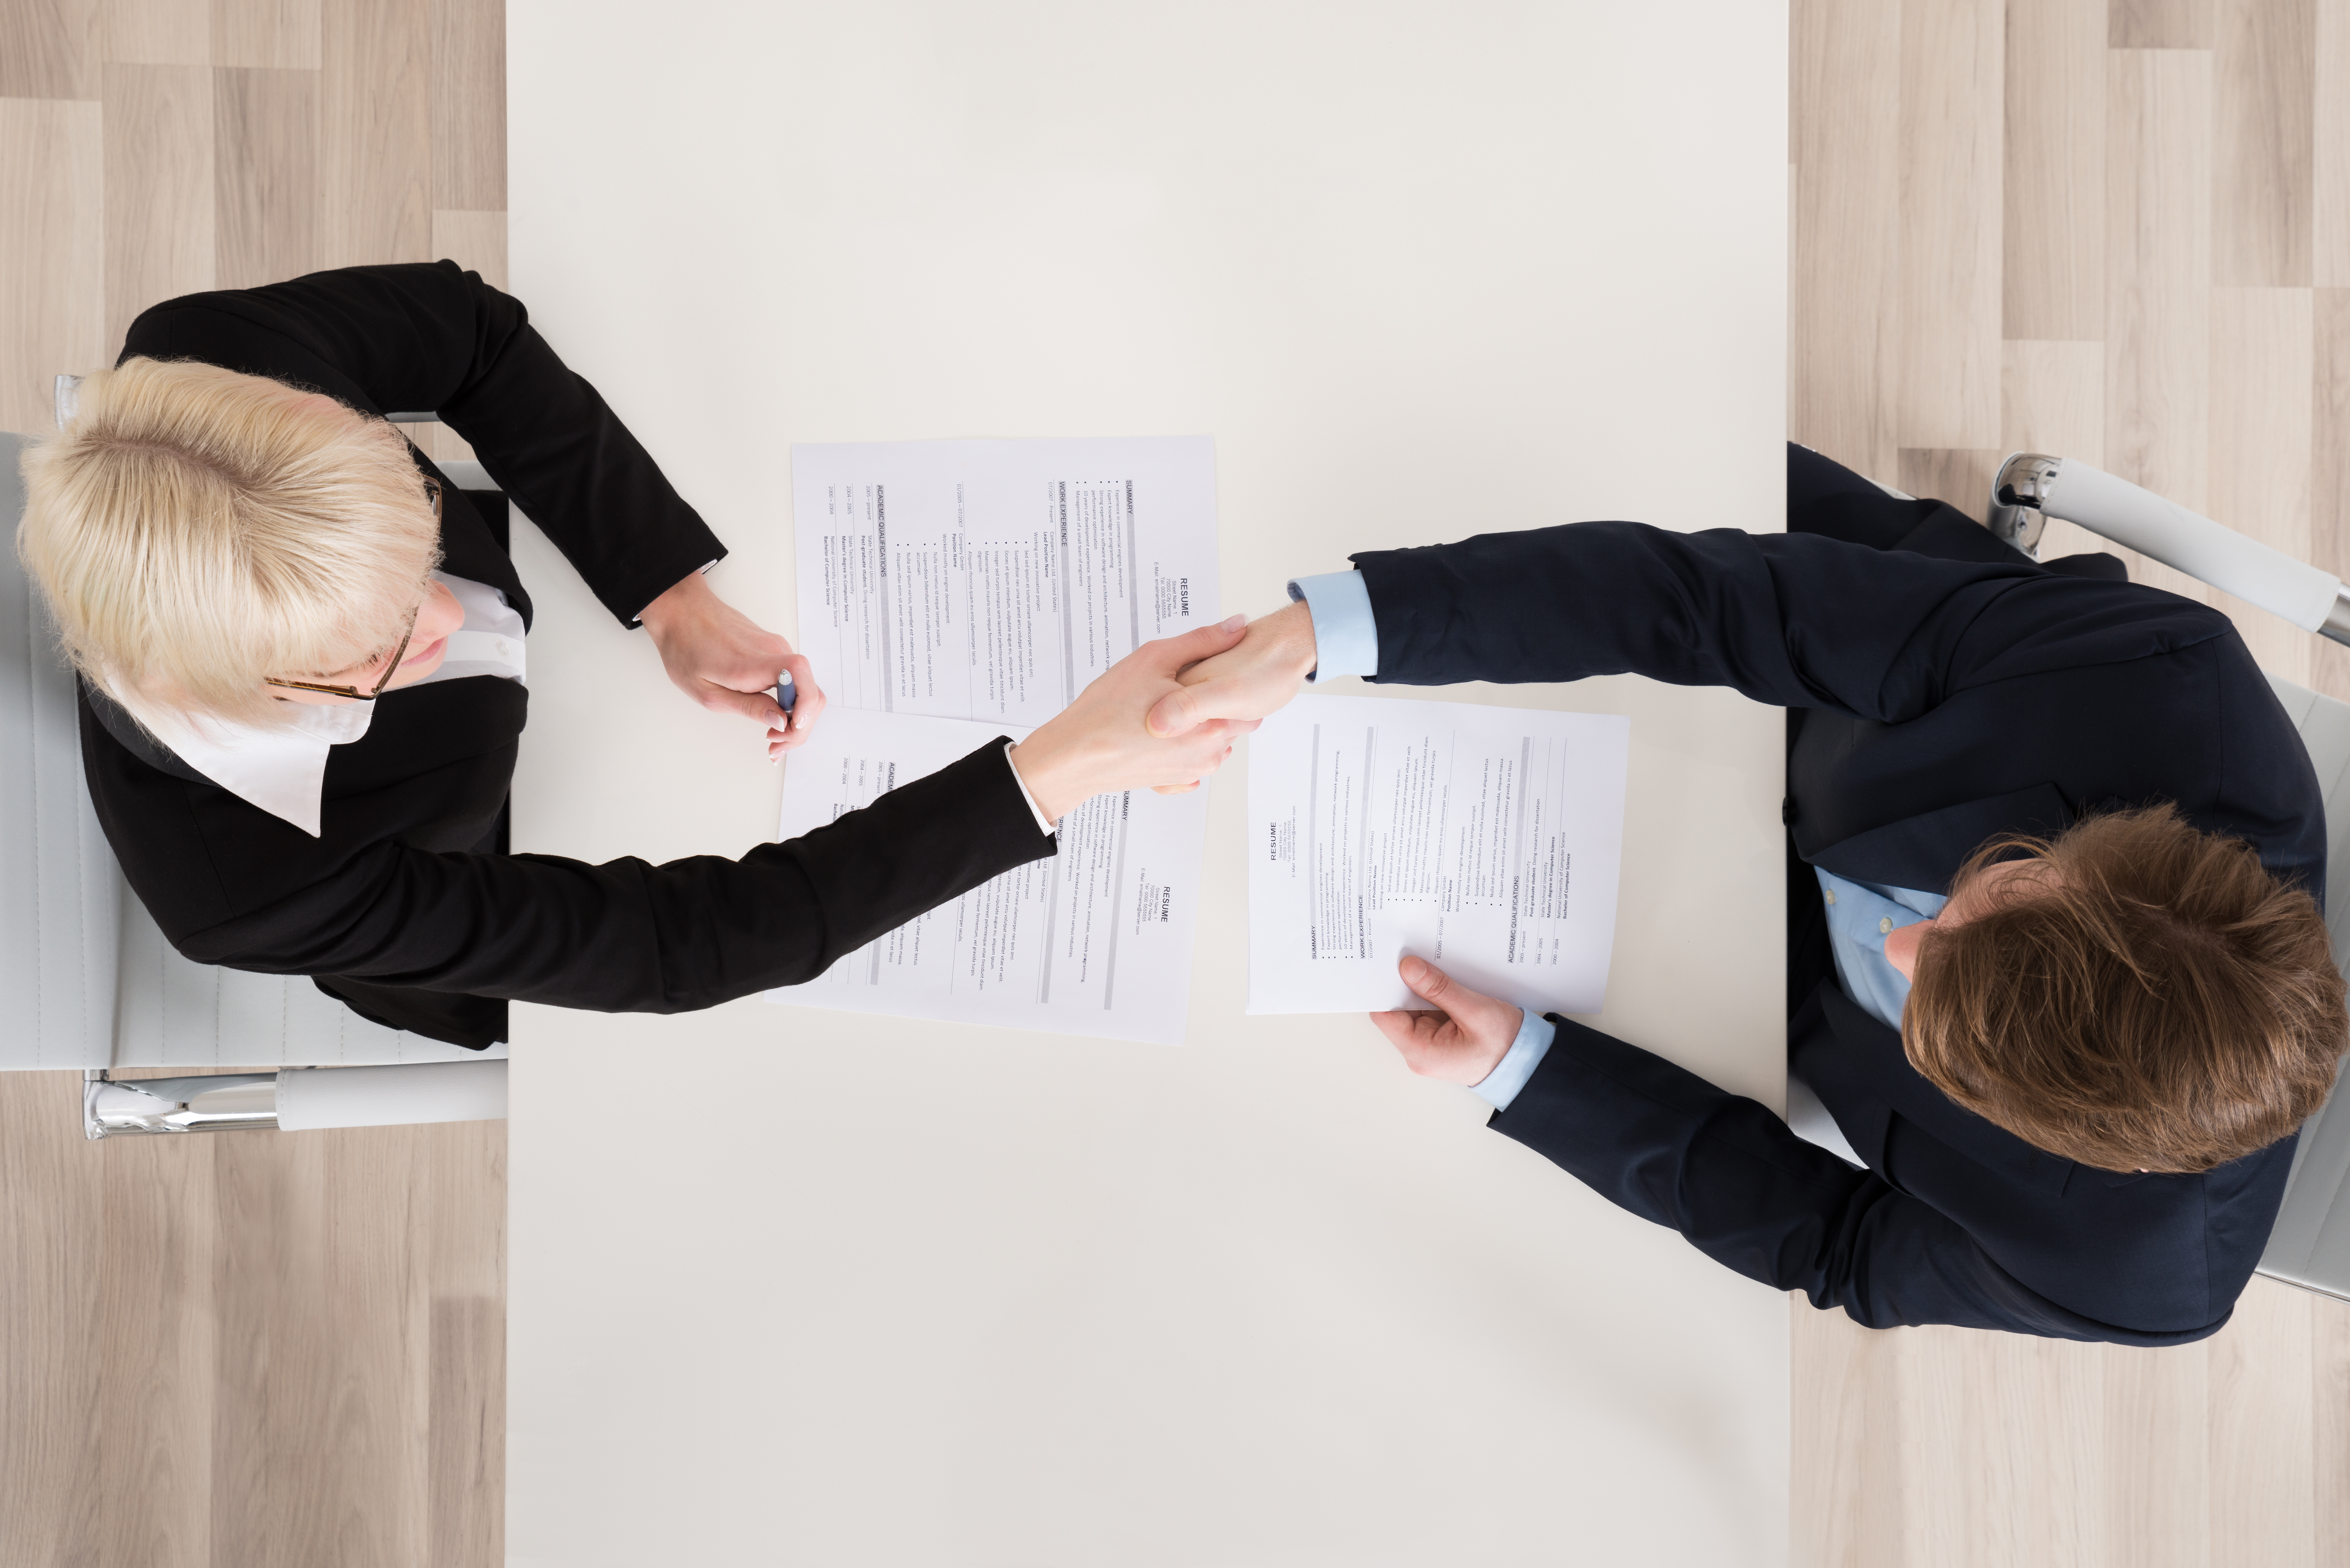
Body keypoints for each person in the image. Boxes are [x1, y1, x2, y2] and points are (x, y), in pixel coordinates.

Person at [1150, 443, 2348, 1345]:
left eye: (1938, 1018)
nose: (1903, 948)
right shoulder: (2162, 688)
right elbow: (1725, 602)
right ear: (2107, 852)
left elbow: (1838, 1243)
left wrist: (1530, 1070)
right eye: (1983, 896)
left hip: (1723, 975)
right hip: (1821, 677)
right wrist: (1332, 630)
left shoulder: (2133, 1281)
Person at [18, 262, 1251, 1049]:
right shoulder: (254, 886)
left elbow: (473, 338)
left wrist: (666, 592)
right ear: (255, 691)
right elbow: (682, 947)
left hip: (586, 703)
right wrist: (1063, 766)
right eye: (385, 648)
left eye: (418, 545)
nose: (445, 616)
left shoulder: (203, 352)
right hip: (476, 878)